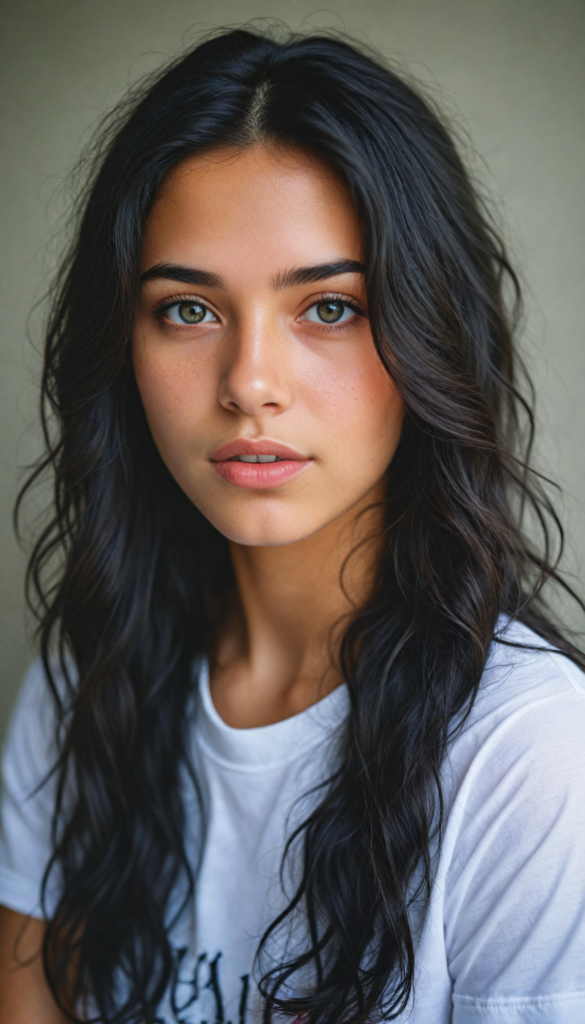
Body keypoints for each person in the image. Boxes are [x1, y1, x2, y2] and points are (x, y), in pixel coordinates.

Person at [0, 26, 584, 1024]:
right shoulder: (85, 680)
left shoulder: (525, 751)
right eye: (188, 310)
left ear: (428, 329)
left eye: (329, 308)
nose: (249, 385)